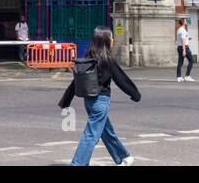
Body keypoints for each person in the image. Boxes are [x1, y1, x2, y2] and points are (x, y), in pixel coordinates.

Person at [58, 26, 140, 166]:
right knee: (91, 135)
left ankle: (123, 157)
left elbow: (75, 81)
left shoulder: (88, 59)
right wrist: (135, 94)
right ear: (106, 41)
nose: (113, 40)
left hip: (89, 102)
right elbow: (121, 79)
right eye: (111, 38)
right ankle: (77, 164)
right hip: (101, 102)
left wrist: (66, 100)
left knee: (106, 131)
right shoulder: (107, 60)